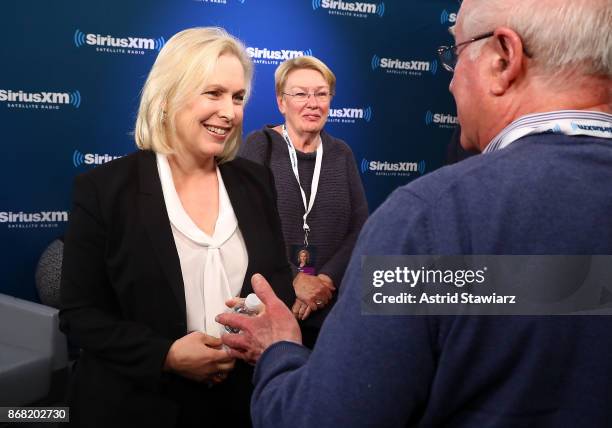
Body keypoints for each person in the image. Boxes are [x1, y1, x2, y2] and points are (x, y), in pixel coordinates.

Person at [218, 0, 612, 426]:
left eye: (456, 55)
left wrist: (278, 351)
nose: (450, 82)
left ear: (503, 59)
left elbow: (319, 419)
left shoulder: (431, 223)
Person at [59, 27, 293, 428]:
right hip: (139, 404)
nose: (230, 112)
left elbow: (276, 285)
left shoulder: (256, 181)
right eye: (214, 93)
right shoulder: (104, 190)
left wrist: (254, 322)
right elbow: (80, 315)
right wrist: (165, 354)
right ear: (167, 97)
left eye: (238, 98)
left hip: (241, 403)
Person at [238, 56, 368, 346]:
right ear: (281, 102)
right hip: (272, 308)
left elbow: (360, 227)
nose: (312, 103)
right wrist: (295, 280)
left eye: (321, 94)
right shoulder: (260, 146)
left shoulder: (341, 153)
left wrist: (325, 281)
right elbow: (246, 226)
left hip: (329, 308)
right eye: (300, 94)